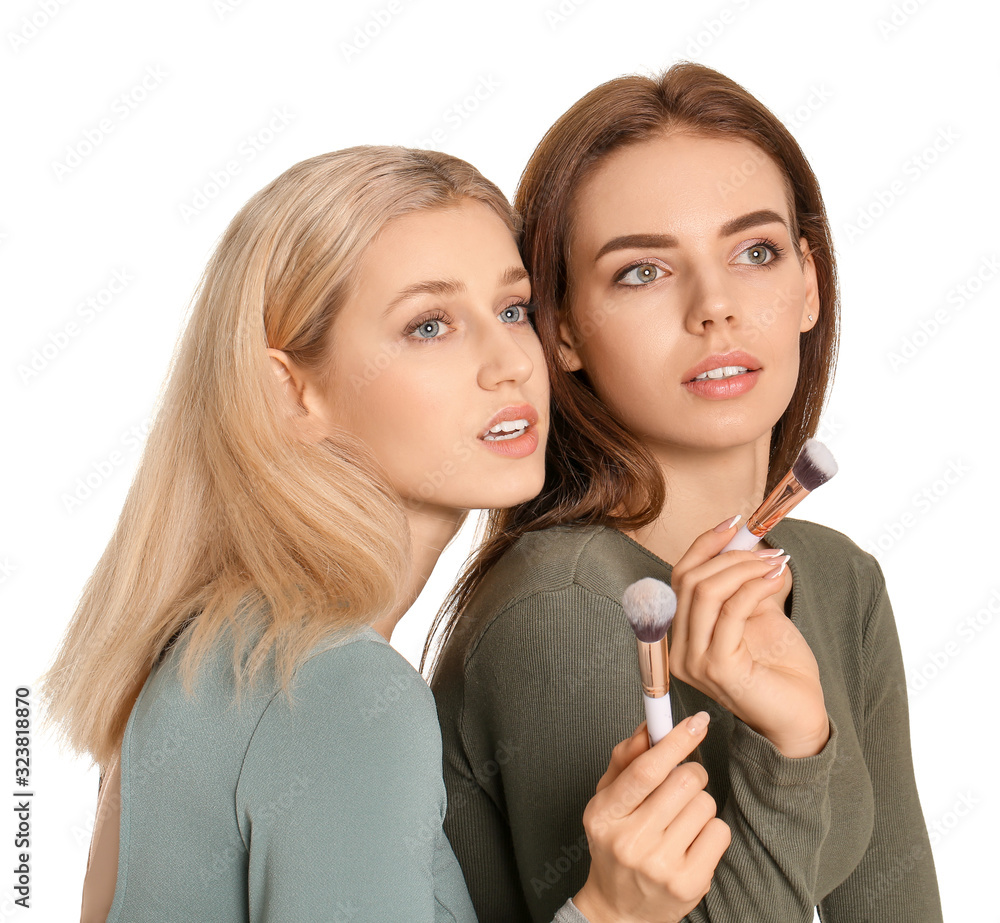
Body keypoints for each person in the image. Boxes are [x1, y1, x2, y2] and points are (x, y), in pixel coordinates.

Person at [39, 145, 731, 923]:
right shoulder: (337, 688)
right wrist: (614, 911)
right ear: (291, 391)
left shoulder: (217, 655)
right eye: (430, 324)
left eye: (512, 310)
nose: (508, 361)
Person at [427, 64, 943, 922]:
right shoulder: (564, 606)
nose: (716, 307)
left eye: (755, 252)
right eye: (642, 271)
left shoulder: (842, 581)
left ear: (809, 284)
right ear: (561, 330)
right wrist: (791, 750)